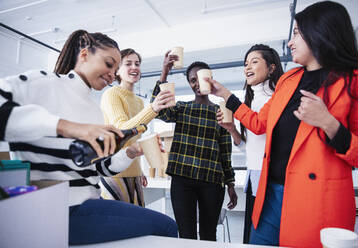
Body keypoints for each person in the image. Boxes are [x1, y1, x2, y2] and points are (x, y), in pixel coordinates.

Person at [206, 1, 358, 247]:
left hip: (316, 202)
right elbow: (259, 123)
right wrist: (226, 96)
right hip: (270, 195)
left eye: (296, 33)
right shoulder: (288, 80)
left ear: (320, 31)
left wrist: (329, 124)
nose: (291, 42)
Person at [0, 30, 178, 245]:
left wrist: (132, 152)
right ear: (84, 54)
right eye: (109, 64)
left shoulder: (93, 110)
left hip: (88, 204)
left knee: (162, 226)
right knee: (167, 227)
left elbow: (98, 168)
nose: (112, 74)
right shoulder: (45, 83)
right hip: (53, 208)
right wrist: (67, 127)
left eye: (115, 69)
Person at [150, 52, 238, 241]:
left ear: (210, 80)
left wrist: (230, 183)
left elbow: (225, 151)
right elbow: (158, 111)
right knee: (186, 235)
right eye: (192, 80)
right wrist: (165, 71)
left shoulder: (221, 111)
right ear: (189, 83)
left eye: (201, 79)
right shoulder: (181, 108)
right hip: (183, 181)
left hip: (212, 182)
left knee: (208, 235)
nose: (197, 84)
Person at [216, 44, 283, 243]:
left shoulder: (275, 98)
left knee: (263, 236)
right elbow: (249, 147)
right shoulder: (252, 101)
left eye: (254, 62)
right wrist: (231, 129)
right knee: (252, 236)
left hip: (269, 177)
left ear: (271, 68)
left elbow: (258, 126)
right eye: (246, 64)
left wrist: (226, 95)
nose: (247, 68)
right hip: (254, 177)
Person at [100, 48, 174, 206]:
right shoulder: (111, 94)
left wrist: (138, 170)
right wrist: (153, 109)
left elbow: (134, 139)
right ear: (117, 71)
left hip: (133, 172)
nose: (134, 67)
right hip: (115, 173)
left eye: (137, 63)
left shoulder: (139, 102)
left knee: (135, 227)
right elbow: (122, 130)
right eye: (128, 63)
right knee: (119, 226)